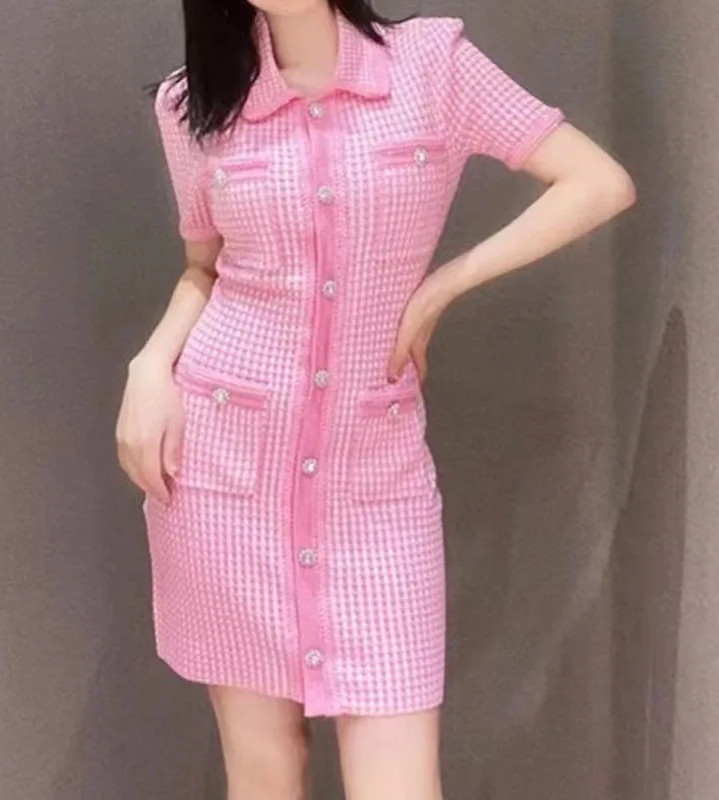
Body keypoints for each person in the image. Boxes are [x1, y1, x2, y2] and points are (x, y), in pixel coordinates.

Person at [116, 1, 635, 797]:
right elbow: (203, 269)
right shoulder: (193, 104)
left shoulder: (431, 64)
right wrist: (150, 366)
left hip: (375, 481)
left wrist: (442, 287)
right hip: (225, 473)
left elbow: (599, 183)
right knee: (263, 770)